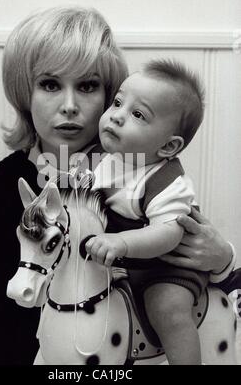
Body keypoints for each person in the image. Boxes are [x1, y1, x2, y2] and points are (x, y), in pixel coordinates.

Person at [0, 6, 235, 365]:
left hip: (119, 338)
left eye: (87, 86)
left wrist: (223, 259)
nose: (69, 106)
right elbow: (16, 299)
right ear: (24, 92)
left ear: (108, 94)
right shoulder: (6, 181)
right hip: (32, 332)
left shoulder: (135, 166)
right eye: (50, 84)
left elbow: (185, 247)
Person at [85, 59, 209, 364]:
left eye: (137, 114)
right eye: (117, 103)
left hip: (166, 266)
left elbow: (168, 234)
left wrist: (122, 242)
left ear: (168, 147)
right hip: (120, 260)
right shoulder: (100, 158)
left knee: (166, 309)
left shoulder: (167, 182)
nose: (116, 117)